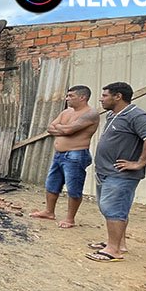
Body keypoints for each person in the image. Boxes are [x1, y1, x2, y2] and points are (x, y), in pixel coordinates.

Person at [86, 81, 146, 262]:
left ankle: (113, 251)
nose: (101, 99)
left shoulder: (136, 116)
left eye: (105, 95)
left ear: (118, 96)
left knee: (114, 210)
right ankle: (118, 243)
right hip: (107, 172)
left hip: (120, 175)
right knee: (113, 209)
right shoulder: (114, 115)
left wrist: (139, 163)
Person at [30, 85, 99, 228]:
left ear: (82, 97)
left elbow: (69, 130)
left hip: (76, 154)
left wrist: (63, 129)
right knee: (52, 184)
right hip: (59, 154)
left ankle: (70, 219)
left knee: (74, 188)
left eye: (71, 96)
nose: (67, 98)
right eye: (67, 95)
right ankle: (49, 212)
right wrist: (65, 129)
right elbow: (50, 128)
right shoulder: (66, 112)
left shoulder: (91, 113)